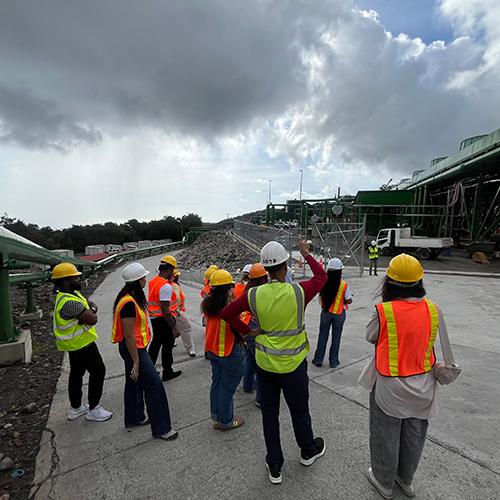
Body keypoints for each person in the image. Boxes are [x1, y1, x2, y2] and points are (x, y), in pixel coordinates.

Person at [221, 239, 327, 485]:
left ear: (265, 269)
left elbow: (227, 313)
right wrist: (306, 253)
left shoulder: (254, 294)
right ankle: (307, 450)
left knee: (270, 415)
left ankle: (275, 465)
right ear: (285, 265)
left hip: (266, 365)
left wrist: (249, 331)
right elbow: (322, 277)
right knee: (299, 410)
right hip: (294, 366)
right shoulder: (299, 291)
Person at [358, 253, 447, 499]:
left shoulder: (383, 311)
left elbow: (371, 337)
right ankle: (405, 480)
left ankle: (384, 481)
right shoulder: (433, 309)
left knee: (384, 433)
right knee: (414, 435)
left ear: (389, 282)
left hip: (390, 385)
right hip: (424, 384)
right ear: (420, 281)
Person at [112, 262, 178, 441]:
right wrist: (136, 361)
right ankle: (162, 428)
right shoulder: (128, 303)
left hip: (132, 349)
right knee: (155, 386)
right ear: (138, 280)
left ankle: (134, 417)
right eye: (143, 277)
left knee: (134, 383)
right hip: (134, 350)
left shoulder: (128, 297)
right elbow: (128, 335)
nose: (145, 280)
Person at [51, 262, 112, 422]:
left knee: (77, 374)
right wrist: (90, 312)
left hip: (76, 345)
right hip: (82, 345)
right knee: (98, 371)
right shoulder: (69, 302)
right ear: (65, 281)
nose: (79, 278)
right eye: (75, 277)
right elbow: (93, 319)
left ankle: (76, 408)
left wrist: (88, 311)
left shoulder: (71, 295)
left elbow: (90, 305)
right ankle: (94, 409)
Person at [202, 269, 245, 431]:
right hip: (228, 351)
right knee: (227, 388)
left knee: (217, 384)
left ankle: (217, 417)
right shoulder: (229, 307)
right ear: (229, 288)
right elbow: (239, 328)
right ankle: (226, 421)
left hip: (212, 351)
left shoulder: (208, 304)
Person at [312, 257, 353, 369]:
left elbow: (320, 297)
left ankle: (318, 360)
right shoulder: (343, 285)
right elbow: (349, 300)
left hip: (325, 312)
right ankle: (333, 362)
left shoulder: (323, 282)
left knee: (322, 335)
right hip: (339, 314)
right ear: (340, 271)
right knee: (336, 338)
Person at [148, 255, 182, 381]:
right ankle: (167, 372)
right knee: (167, 346)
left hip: (154, 318)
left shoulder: (153, 281)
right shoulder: (166, 286)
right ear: (170, 269)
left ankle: (149, 370)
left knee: (156, 343)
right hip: (164, 319)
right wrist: (174, 327)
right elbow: (165, 310)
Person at [241, 263, 269, 407]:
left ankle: (247, 385)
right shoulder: (260, 291)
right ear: (263, 278)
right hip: (254, 327)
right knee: (260, 364)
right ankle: (261, 398)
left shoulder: (248, 290)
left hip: (245, 326)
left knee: (250, 358)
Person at [171, 270, 196, 357]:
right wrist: (177, 309)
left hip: (172, 312)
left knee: (171, 328)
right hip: (176, 311)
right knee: (186, 328)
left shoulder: (169, 285)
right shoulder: (174, 286)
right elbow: (177, 298)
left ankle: (172, 341)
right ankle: (190, 349)